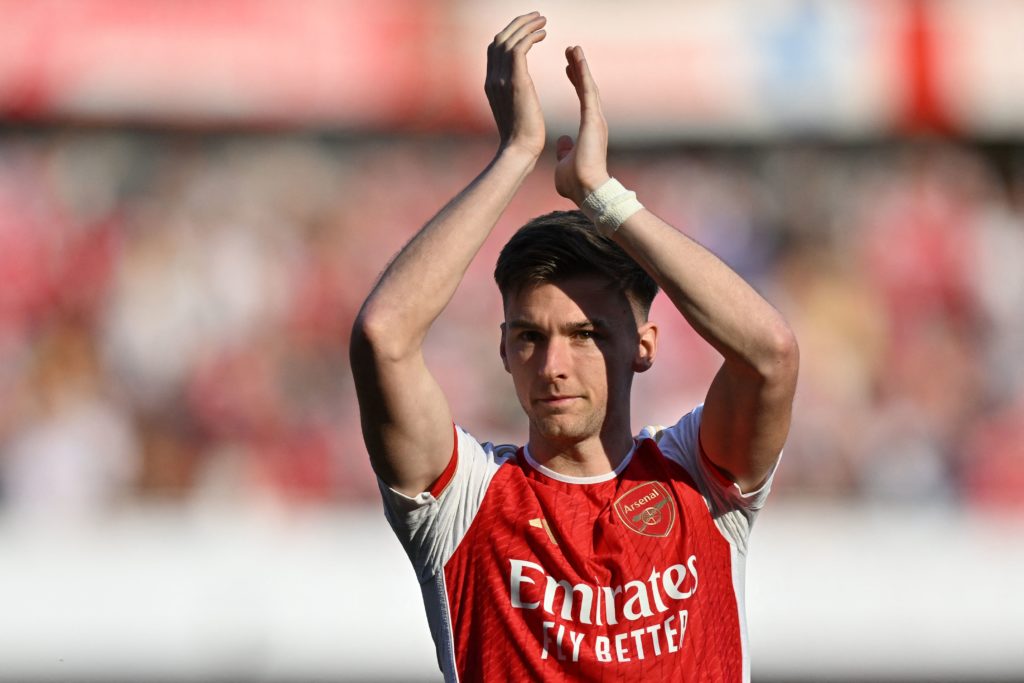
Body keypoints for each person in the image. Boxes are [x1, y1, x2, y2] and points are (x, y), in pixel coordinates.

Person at [350, 12, 799, 682]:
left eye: (587, 334)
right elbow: (383, 335)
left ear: (642, 346)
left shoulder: (697, 481)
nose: (553, 364)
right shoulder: (466, 502)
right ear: (503, 349)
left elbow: (771, 352)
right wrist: (515, 155)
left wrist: (604, 197)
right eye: (530, 336)